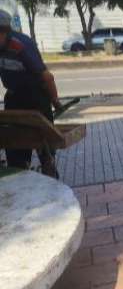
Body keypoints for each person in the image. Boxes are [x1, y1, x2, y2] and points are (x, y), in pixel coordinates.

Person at [0, 9, 64, 177]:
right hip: (14, 98)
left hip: (36, 98)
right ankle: (19, 171)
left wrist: (55, 102)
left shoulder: (21, 45)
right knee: (14, 145)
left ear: (4, 32)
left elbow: (47, 77)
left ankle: (49, 169)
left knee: (44, 144)